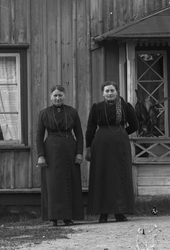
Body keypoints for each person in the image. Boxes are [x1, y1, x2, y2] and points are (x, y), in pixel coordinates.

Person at [85, 80, 138, 222]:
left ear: (117, 91)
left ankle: (119, 212)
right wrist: (88, 147)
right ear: (102, 93)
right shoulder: (96, 108)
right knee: (102, 176)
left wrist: (121, 133)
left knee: (119, 176)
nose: (109, 93)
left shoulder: (126, 107)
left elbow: (134, 125)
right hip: (101, 145)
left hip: (120, 145)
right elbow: (90, 128)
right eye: (107, 91)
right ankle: (103, 212)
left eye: (112, 90)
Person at [36, 85, 84, 226]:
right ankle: (53, 218)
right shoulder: (44, 113)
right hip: (51, 151)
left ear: (64, 96)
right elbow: (39, 136)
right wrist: (41, 155)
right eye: (55, 95)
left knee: (71, 181)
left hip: (70, 149)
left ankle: (68, 217)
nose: (57, 98)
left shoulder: (72, 112)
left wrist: (79, 153)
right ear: (51, 97)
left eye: (60, 95)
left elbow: (79, 134)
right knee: (53, 183)